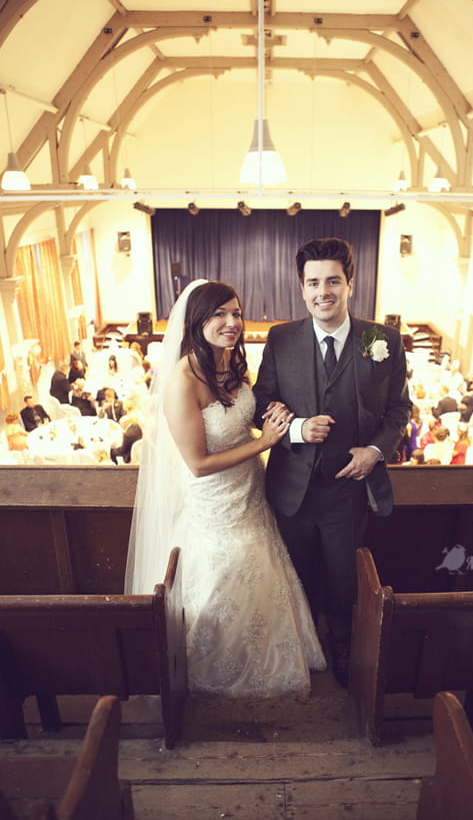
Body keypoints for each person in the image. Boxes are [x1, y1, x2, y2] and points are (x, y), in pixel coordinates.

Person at [125, 279, 326, 699]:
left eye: (235, 312)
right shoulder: (182, 380)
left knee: (264, 565)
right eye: (219, 314)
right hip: (214, 503)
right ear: (197, 321)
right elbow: (197, 464)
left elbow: (241, 417)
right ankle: (204, 666)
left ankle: (272, 658)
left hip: (251, 492)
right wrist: (265, 442)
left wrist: (273, 417)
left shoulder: (232, 363)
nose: (231, 322)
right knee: (223, 572)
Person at [253, 237, 411, 686]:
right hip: (292, 490)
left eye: (333, 281)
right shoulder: (281, 338)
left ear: (350, 284)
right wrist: (297, 429)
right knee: (297, 577)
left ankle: (343, 648)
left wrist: (376, 451)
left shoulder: (384, 340)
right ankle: (302, 647)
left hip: (349, 492)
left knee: (344, 581)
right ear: (302, 288)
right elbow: (262, 402)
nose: (323, 291)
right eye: (313, 282)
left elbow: (400, 411)